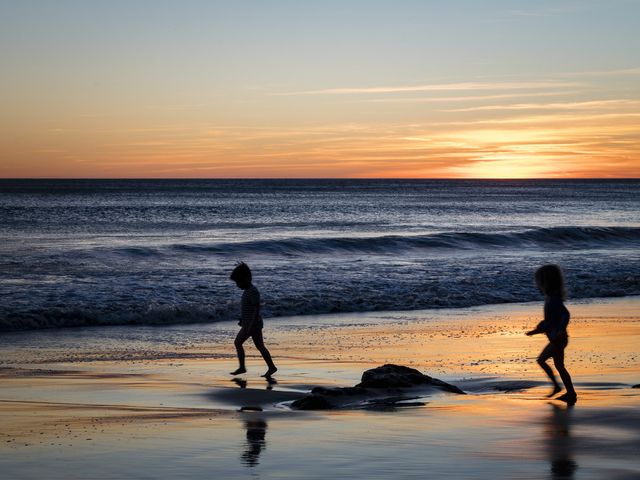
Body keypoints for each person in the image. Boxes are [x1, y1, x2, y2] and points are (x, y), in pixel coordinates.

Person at [526, 264, 577, 404]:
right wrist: (536, 330)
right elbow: (548, 322)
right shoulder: (551, 298)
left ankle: (556, 386)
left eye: (538, 282)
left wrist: (561, 329)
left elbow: (565, 314)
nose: (537, 286)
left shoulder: (553, 299)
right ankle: (571, 393)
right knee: (560, 366)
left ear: (546, 282)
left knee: (541, 360)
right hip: (557, 339)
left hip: (558, 339)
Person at [229, 262, 277, 378]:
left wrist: (251, 324)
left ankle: (271, 367)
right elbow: (248, 309)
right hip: (247, 324)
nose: (237, 285)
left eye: (238, 282)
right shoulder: (247, 291)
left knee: (259, 346)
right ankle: (242, 367)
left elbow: (256, 309)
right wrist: (243, 319)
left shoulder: (253, 291)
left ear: (246, 279)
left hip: (254, 325)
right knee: (238, 342)